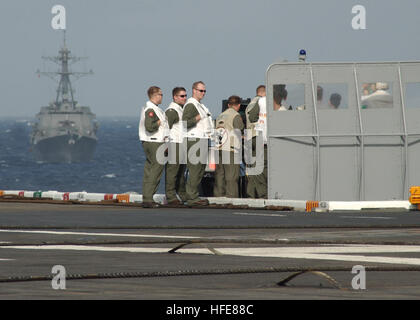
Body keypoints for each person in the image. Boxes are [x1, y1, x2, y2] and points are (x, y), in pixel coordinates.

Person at [182, 81, 214, 206]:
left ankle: (193, 195)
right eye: (201, 90)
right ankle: (191, 197)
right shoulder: (191, 105)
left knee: (200, 170)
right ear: (194, 90)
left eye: (204, 91)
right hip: (195, 139)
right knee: (195, 169)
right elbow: (185, 123)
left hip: (202, 138)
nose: (203, 93)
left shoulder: (200, 106)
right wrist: (198, 118)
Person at [139, 86, 169, 208]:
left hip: (152, 141)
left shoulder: (154, 108)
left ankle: (147, 197)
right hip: (154, 141)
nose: (162, 97)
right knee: (155, 170)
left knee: (149, 169)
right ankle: (148, 198)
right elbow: (150, 126)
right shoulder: (151, 109)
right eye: (160, 94)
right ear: (154, 95)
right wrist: (159, 122)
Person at [213, 95, 245, 198]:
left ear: (228, 104)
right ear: (239, 105)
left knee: (219, 175)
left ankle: (218, 196)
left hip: (219, 148)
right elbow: (239, 130)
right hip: (231, 149)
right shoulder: (235, 115)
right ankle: (231, 197)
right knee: (231, 176)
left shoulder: (220, 116)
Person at [165, 87, 188, 205]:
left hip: (181, 144)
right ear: (175, 97)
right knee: (172, 172)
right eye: (182, 96)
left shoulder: (180, 109)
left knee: (181, 173)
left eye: (185, 95)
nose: (185, 98)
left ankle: (182, 194)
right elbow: (165, 129)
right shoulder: (172, 111)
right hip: (174, 144)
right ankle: (170, 196)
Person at [245, 85, 267, 199]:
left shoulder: (249, 104)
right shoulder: (261, 102)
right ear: (263, 93)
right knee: (261, 166)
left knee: (252, 167)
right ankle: (262, 193)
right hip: (258, 136)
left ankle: (251, 194)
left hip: (249, 138)